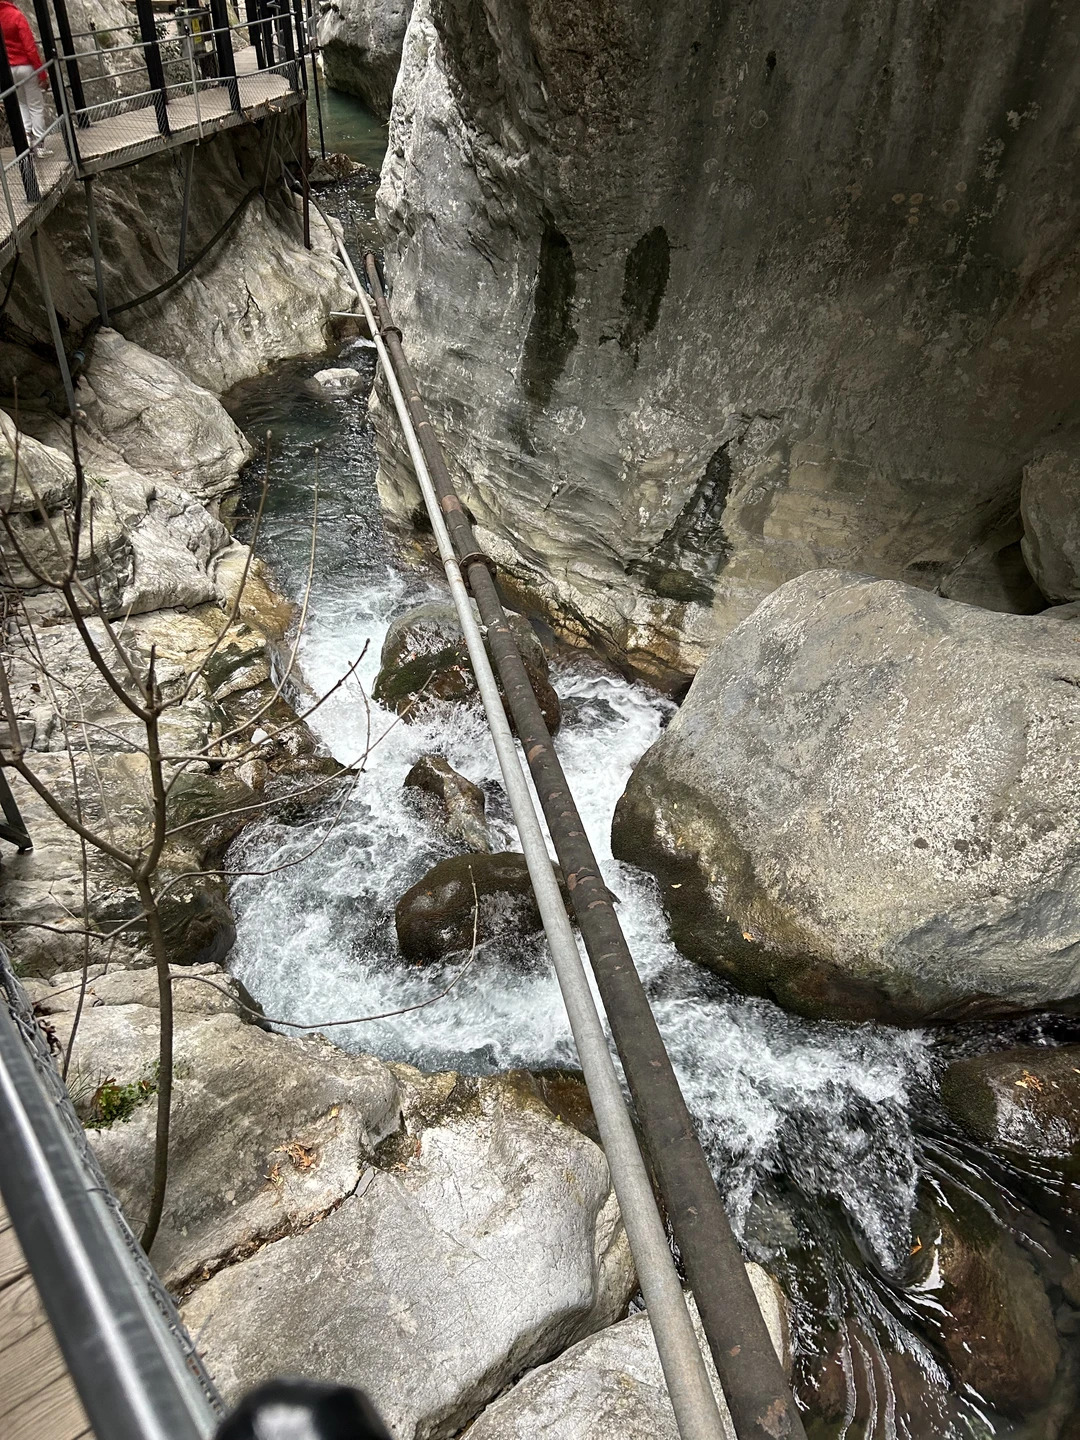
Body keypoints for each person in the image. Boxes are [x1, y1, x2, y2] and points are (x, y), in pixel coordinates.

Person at [0, 0, 49, 155]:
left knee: (21, 104)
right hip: (25, 67)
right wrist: (42, 73)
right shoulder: (16, 16)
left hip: (9, 69)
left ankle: (26, 139)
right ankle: (40, 144)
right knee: (35, 104)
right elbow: (29, 47)